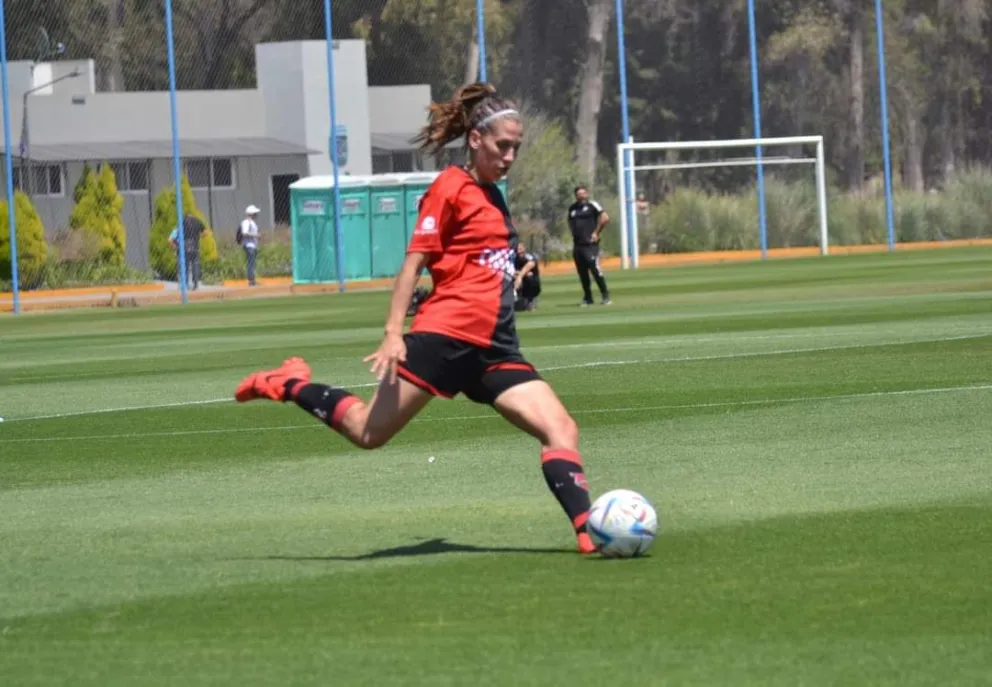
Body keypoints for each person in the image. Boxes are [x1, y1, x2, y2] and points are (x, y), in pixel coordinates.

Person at [234, 82, 596, 555]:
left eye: (516, 148)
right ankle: (287, 384)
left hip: (495, 349)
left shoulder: (495, 197)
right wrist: (392, 333)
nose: (509, 156)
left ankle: (591, 533)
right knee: (368, 432)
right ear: (475, 140)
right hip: (442, 338)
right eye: (502, 146)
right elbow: (412, 265)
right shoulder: (449, 187)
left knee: (561, 429)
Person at [567, 184, 611, 306]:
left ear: (586, 193)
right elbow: (570, 223)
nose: (580, 195)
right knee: (582, 273)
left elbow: (605, 218)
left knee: (595, 269)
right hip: (578, 245)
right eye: (578, 193)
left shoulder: (592, 205)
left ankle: (605, 295)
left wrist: (596, 232)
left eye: (582, 193)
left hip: (590, 244)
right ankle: (588, 297)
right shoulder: (572, 208)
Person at [168, 214, 206, 290]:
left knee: (185, 267)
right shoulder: (197, 222)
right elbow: (205, 232)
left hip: (184, 249)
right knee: (195, 265)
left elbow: (170, 240)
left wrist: (176, 247)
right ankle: (195, 284)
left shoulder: (180, 227)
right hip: (195, 247)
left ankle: (185, 284)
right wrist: (199, 236)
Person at [513, 242, 541, 311]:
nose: (518, 249)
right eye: (517, 248)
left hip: (531, 282)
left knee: (530, 278)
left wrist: (519, 276)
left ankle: (531, 301)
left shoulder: (529, 257)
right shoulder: (513, 258)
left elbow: (529, 266)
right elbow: (510, 271)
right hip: (519, 281)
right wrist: (520, 274)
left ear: (524, 249)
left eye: (520, 247)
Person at [238, 205, 261, 286]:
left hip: (253, 245)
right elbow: (244, 233)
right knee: (251, 262)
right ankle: (251, 280)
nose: (257, 215)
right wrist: (256, 235)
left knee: (252, 262)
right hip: (248, 245)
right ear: (252, 213)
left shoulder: (252, 223)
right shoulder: (246, 222)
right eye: (255, 213)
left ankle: (252, 279)